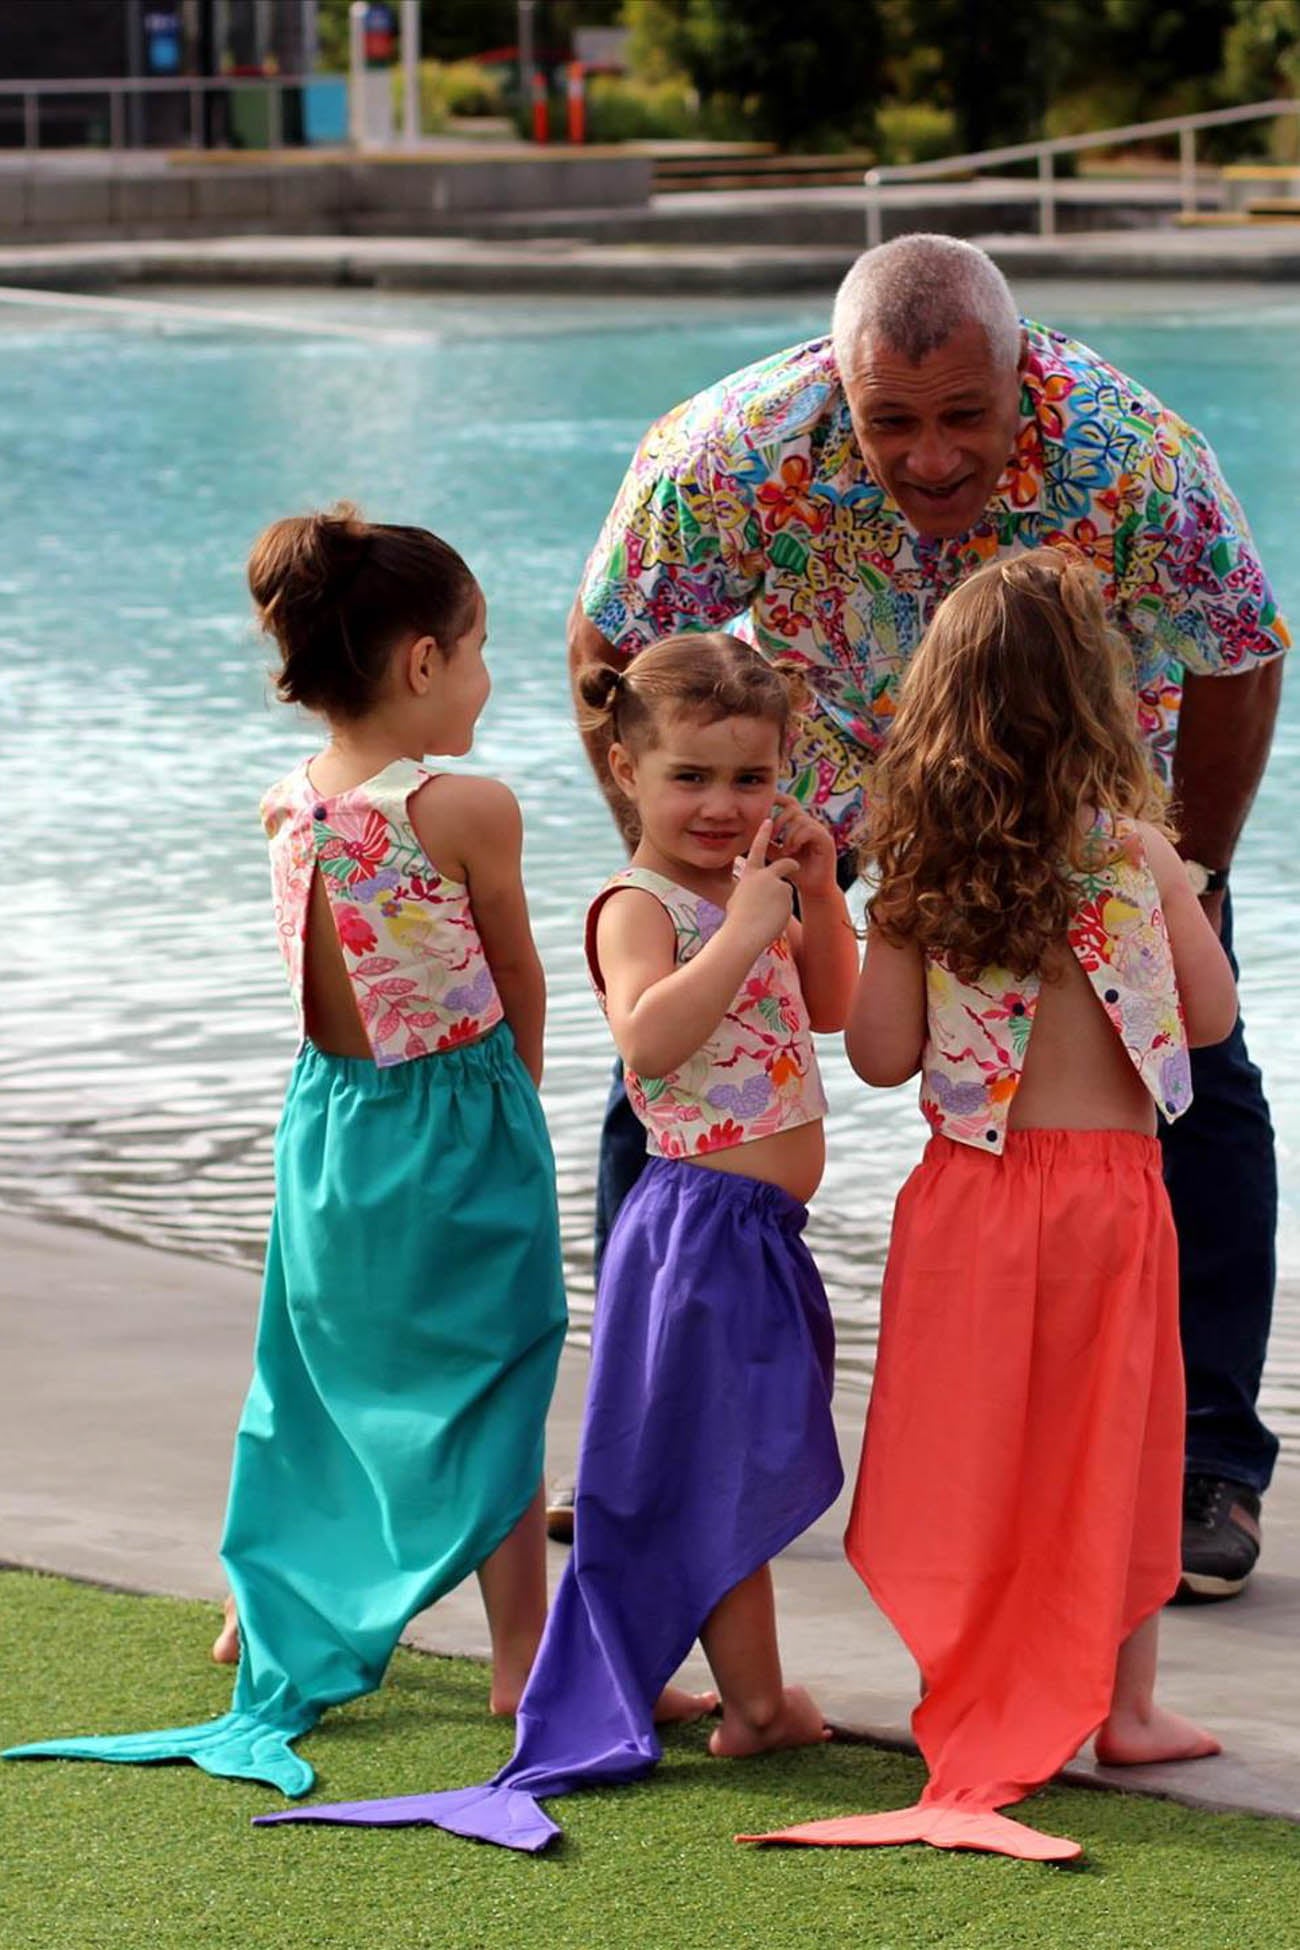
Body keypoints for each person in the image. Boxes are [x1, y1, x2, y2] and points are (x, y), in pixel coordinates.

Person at [569, 233, 1288, 1597]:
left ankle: (1203, 1460)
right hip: (822, 770)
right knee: (677, 1061)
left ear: (1023, 372)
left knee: (1192, 1082)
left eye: (967, 413)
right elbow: (611, 643)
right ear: (839, 389)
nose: (933, 455)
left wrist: (1191, 872)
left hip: (1069, 792)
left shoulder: (1138, 457)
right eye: (890, 422)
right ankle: (649, 1430)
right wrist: (681, 889)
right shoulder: (727, 450)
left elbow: (1241, 654)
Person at [255, 632, 859, 1851]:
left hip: (761, 1230)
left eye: (751, 779)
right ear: (625, 771)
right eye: (690, 777)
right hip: (694, 1227)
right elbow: (647, 1042)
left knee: (733, 1462)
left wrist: (821, 893)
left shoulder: (747, 892)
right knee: (717, 1470)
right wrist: (745, 929)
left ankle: (738, 1695)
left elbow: (836, 1012)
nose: (721, 805)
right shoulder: (639, 907)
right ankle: (755, 1706)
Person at [5, 507, 568, 1796]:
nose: (487, 676)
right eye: (480, 649)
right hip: (452, 1114)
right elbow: (516, 975)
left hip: (326, 1119)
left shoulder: (286, 801)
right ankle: (520, 1653)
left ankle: (259, 1604)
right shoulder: (467, 807)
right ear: (422, 661)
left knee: (310, 1370)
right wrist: (519, 1107)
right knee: (499, 1363)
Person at [741, 549, 1235, 1866]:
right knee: (1110, 1448)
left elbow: (881, 1055)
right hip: (1111, 1204)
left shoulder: (921, 869)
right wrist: (1175, 899)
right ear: (1099, 705)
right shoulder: (1136, 856)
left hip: (969, 1197)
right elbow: (1212, 1019)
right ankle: (1124, 1709)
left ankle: (957, 1681)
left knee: (969, 1449)